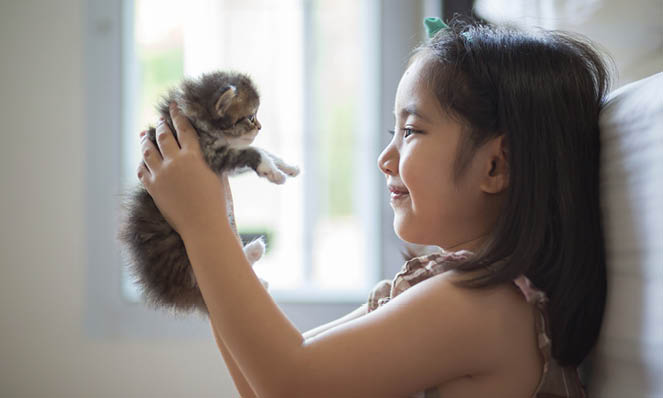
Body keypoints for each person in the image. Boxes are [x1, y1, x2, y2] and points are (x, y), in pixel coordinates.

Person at [136, 15, 612, 398]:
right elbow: (268, 383)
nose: (385, 159)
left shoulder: (486, 305)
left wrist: (206, 228)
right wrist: (212, 223)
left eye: (411, 131)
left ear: (494, 167)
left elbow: (291, 384)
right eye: (392, 132)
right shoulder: (444, 290)